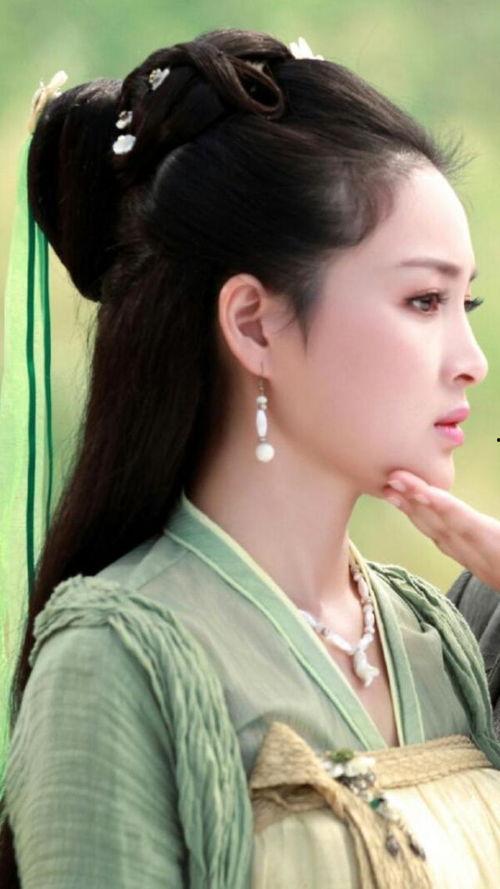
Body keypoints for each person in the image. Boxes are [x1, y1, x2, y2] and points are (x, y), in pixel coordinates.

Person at [0, 26, 499, 889]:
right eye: (424, 300)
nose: (472, 360)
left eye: (468, 304)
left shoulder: (435, 636)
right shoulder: (119, 661)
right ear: (253, 324)